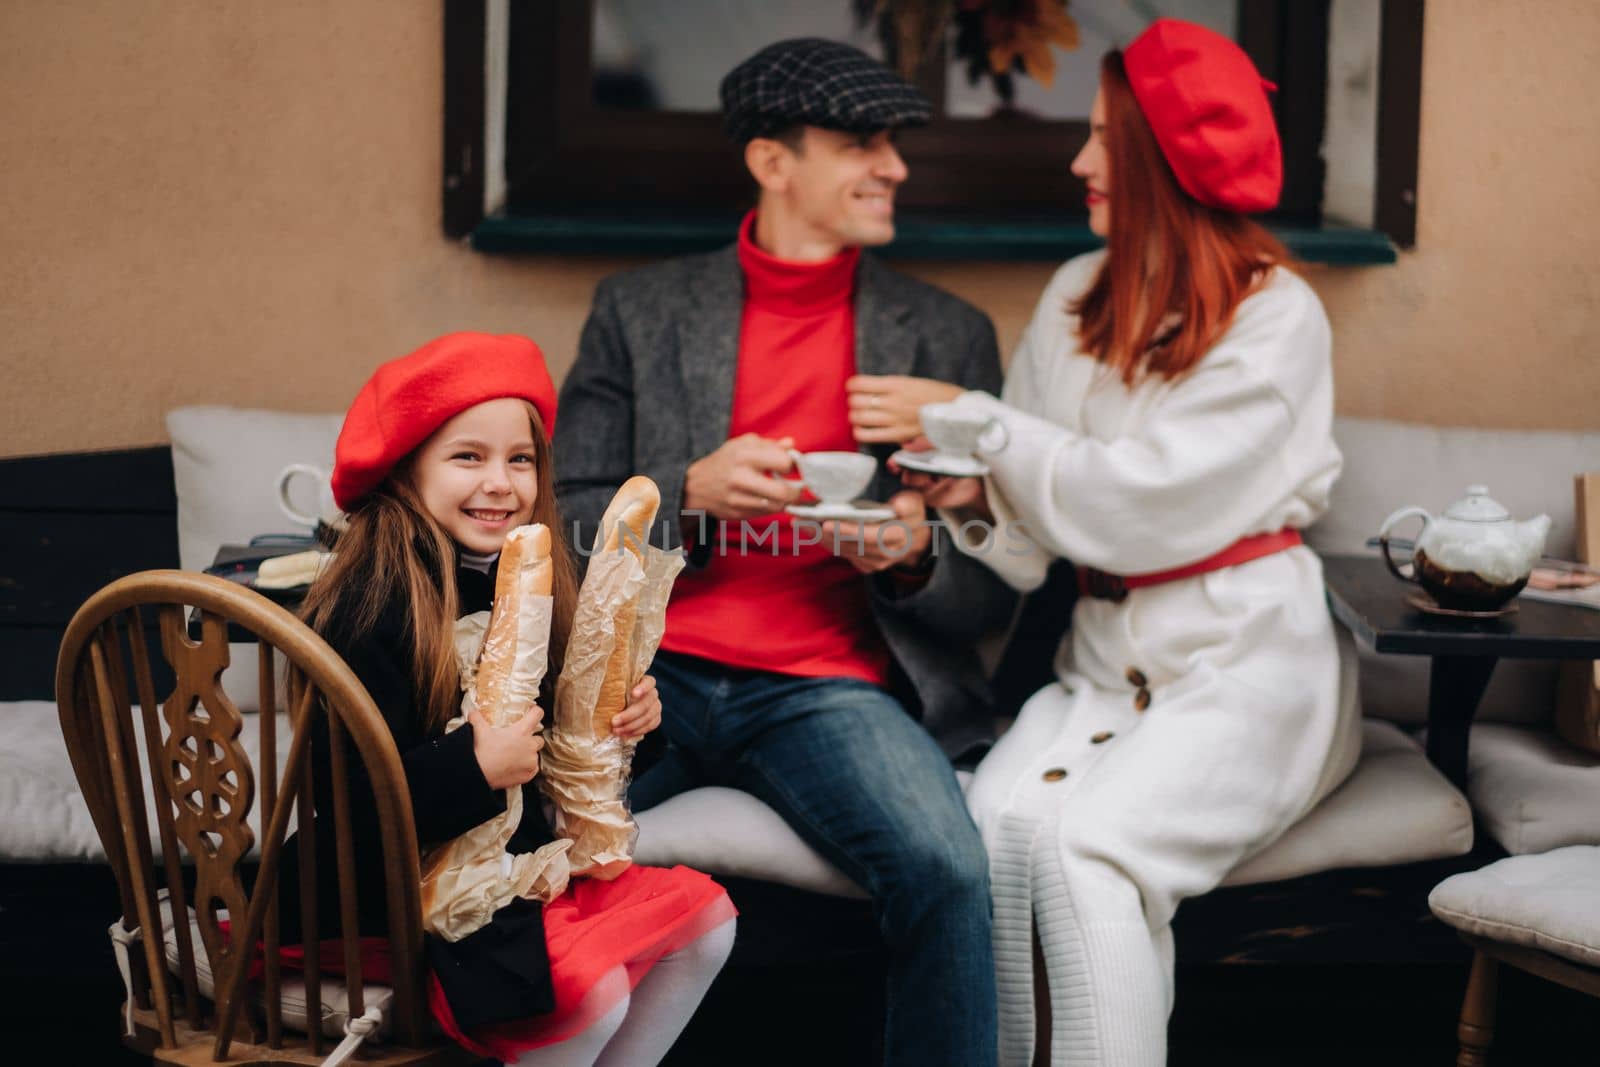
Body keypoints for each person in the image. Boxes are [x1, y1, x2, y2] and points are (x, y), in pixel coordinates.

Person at [882, 19, 1363, 1065]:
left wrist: (988, 426)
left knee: (1088, 847)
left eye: (1103, 136)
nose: (1079, 160)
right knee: (1000, 833)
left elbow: (1151, 502)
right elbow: (1034, 536)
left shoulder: (1278, 317)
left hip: (1247, 664)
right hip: (1100, 658)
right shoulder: (1070, 297)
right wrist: (968, 489)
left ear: (1161, 156)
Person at [553, 38, 1016, 1067]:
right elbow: (562, 521)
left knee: (948, 867)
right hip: (647, 671)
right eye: (860, 142)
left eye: (893, 144)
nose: (892, 166)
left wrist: (911, 557)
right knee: (511, 848)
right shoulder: (639, 311)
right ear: (772, 162)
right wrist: (686, 493)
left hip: (829, 689)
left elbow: (991, 594)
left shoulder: (945, 337)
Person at [288, 332, 737, 1067]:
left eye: (519, 459)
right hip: (398, 894)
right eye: (468, 456)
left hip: (519, 871)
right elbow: (342, 800)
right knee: (593, 995)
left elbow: (569, 757)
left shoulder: (531, 578)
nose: (500, 481)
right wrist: (474, 764)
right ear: (407, 468)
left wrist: (631, 726)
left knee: (706, 927)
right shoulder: (369, 605)